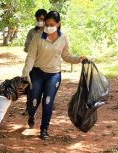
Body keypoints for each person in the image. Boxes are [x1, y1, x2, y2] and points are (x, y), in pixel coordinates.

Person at [22, 11, 87, 140]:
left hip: (54, 75)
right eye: (46, 24)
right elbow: (31, 56)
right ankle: (31, 114)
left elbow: (66, 56)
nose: (48, 27)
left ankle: (44, 129)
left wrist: (79, 59)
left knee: (48, 102)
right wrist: (25, 73)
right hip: (37, 73)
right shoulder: (37, 37)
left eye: (51, 24)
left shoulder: (64, 38)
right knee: (34, 100)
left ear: (58, 24)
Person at [22, 9, 47, 116]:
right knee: (30, 88)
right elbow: (26, 46)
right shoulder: (32, 32)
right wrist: (32, 49)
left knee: (43, 89)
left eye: (41, 19)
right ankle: (29, 108)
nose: (39, 21)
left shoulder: (49, 32)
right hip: (32, 65)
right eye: (37, 19)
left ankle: (42, 108)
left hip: (45, 65)